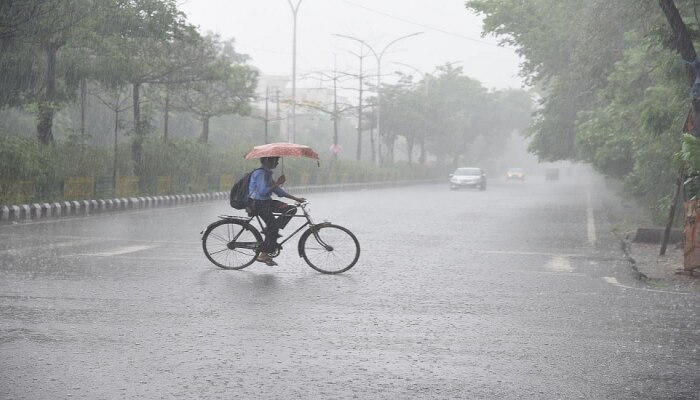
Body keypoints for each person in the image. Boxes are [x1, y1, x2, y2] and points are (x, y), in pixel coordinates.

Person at [248, 156, 306, 266]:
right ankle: (264, 254)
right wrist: (278, 182)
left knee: (291, 209)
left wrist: (296, 199)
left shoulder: (267, 173)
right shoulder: (261, 173)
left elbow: (279, 192)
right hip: (258, 204)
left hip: (266, 203)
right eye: (276, 160)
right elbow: (263, 192)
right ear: (268, 161)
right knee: (273, 228)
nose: (278, 162)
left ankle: (270, 231)